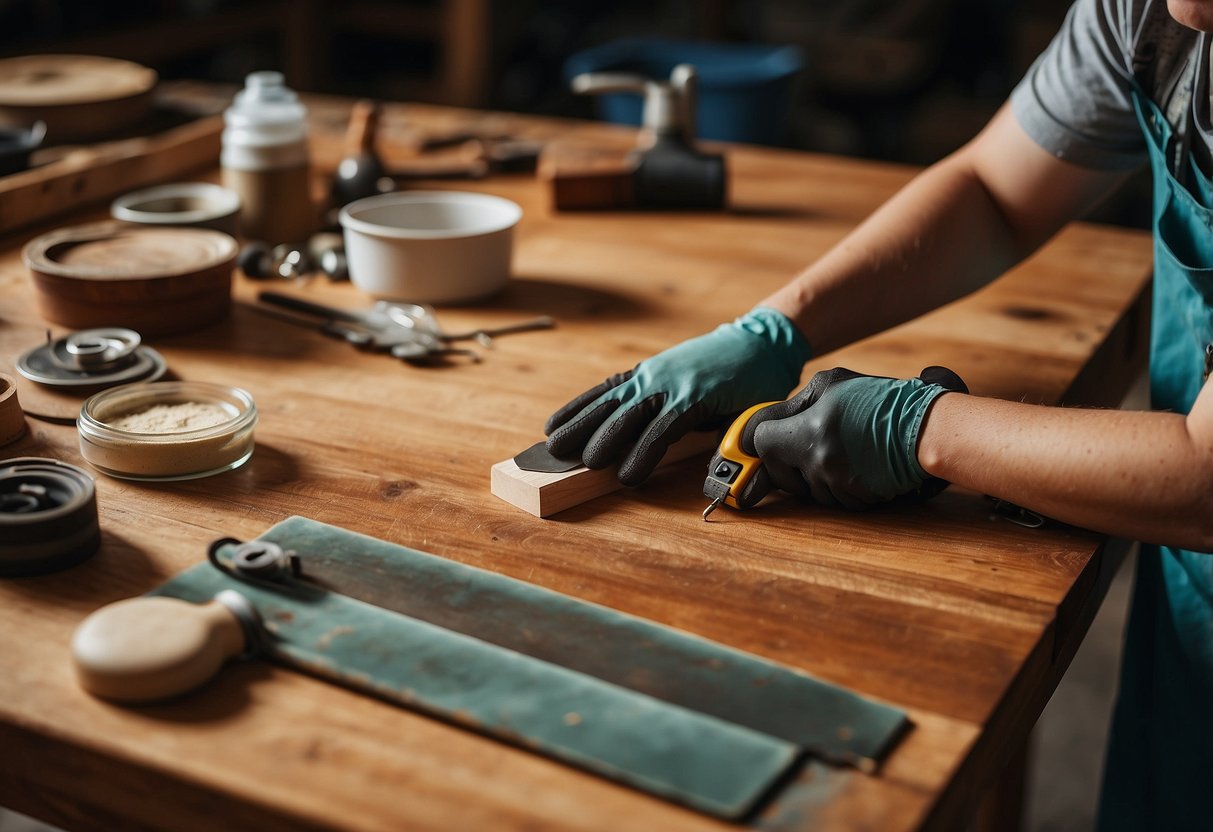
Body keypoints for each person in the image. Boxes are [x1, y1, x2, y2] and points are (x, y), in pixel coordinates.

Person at [543, 0, 1213, 828]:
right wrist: (778, 328)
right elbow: (994, 190)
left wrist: (917, 428)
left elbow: (1205, 476)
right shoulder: (1149, 11)